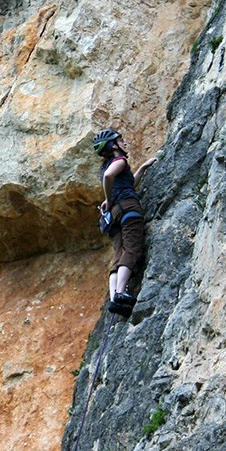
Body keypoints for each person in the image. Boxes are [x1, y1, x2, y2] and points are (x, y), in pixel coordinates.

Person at [94, 129, 157, 318]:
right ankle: (121, 292)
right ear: (113, 146)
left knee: (119, 253)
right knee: (132, 248)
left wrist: (143, 167)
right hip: (128, 209)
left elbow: (128, 184)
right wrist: (108, 198)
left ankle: (114, 297)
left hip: (114, 215)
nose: (125, 143)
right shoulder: (119, 161)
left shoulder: (106, 166)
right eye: (120, 141)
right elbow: (109, 178)